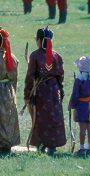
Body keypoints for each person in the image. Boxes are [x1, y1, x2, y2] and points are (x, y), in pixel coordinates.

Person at [25, 27, 66, 155]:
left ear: (39, 40)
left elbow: (30, 76)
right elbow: (61, 76)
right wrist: (61, 92)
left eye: (36, 39)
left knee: (41, 117)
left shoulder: (35, 55)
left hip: (41, 91)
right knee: (53, 117)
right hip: (54, 91)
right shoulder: (57, 56)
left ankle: (41, 145)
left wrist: (27, 94)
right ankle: (52, 146)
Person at [68, 56, 90, 156]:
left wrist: (72, 105)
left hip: (82, 107)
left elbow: (75, 94)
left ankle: (82, 148)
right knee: (89, 127)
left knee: (82, 128)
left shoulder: (79, 80)